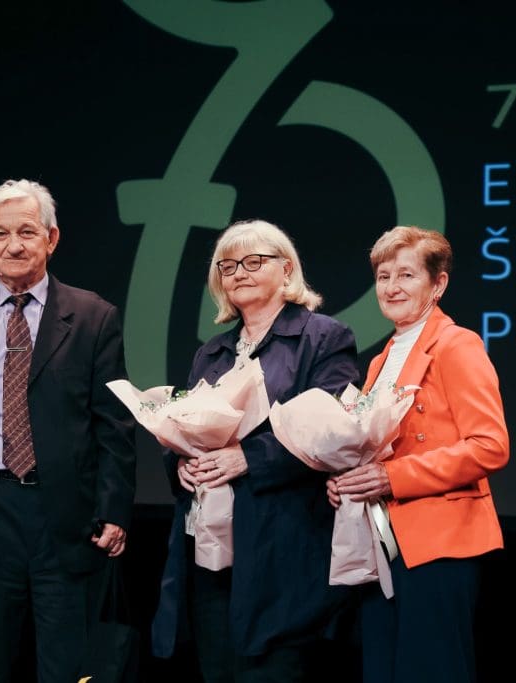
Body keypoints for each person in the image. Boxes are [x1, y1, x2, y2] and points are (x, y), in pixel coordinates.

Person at [0, 178, 136, 682]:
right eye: (1, 234)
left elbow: (114, 423)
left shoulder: (94, 316)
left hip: (67, 517)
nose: (14, 245)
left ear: (51, 239)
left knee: (69, 667)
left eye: (27, 232)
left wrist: (114, 508)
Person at [152, 220, 360, 681]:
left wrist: (249, 457)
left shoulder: (323, 338)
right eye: (227, 266)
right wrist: (181, 463)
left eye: (253, 261)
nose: (239, 273)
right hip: (211, 548)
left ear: (286, 270)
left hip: (282, 546)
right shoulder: (212, 352)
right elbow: (186, 427)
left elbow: (331, 429)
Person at [328, 225, 509, 683]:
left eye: (406, 275)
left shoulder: (457, 344)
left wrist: (393, 478)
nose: (392, 287)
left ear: (438, 283)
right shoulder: (381, 360)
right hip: (383, 545)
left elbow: (489, 446)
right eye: (383, 276)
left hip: (438, 542)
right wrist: (348, 480)